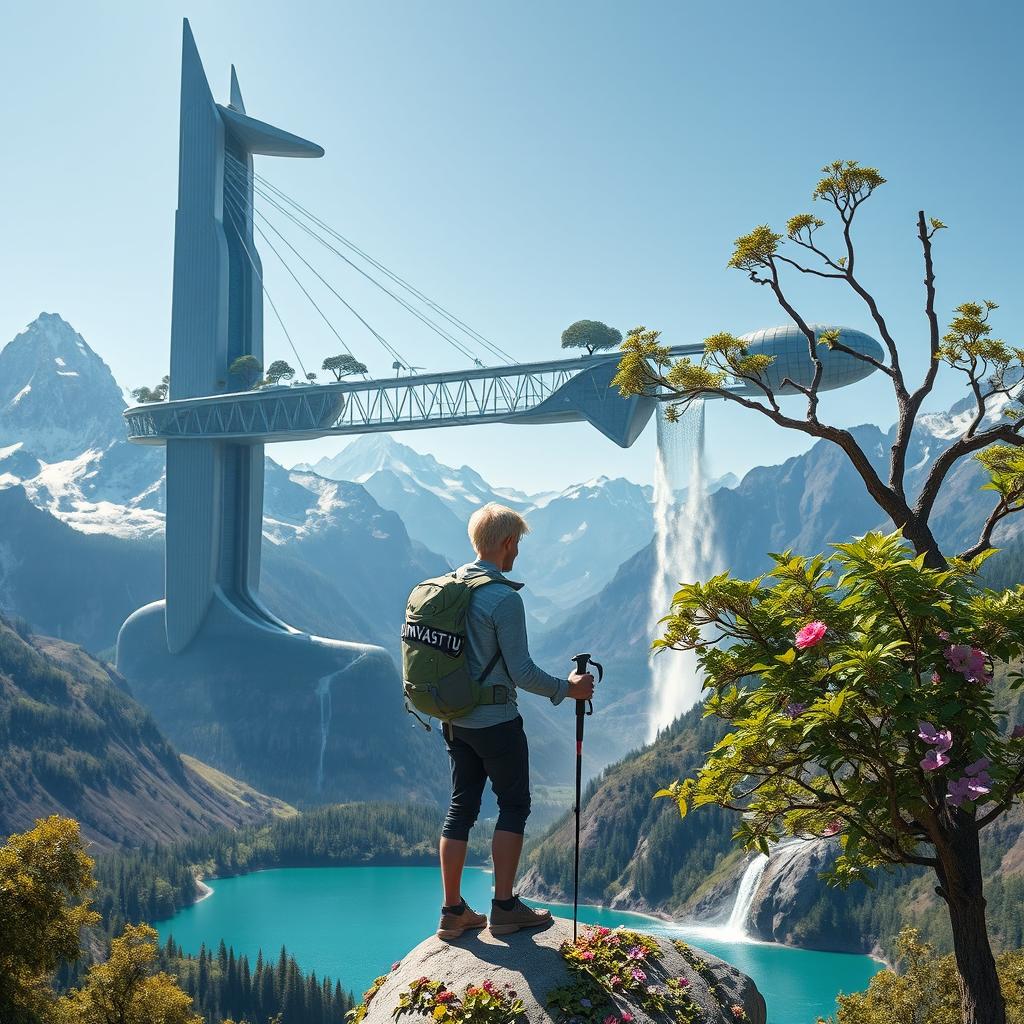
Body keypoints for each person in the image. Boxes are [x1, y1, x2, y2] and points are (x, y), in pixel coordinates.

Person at [436, 502, 595, 940]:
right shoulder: (503, 598)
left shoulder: (450, 589)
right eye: (518, 543)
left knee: (461, 806)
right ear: (507, 543)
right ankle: (504, 908)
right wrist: (570, 688)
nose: (518, 552)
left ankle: (452, 911)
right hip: (497, 722)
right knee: (514, 805)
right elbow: (522, 672)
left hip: (455, 719)